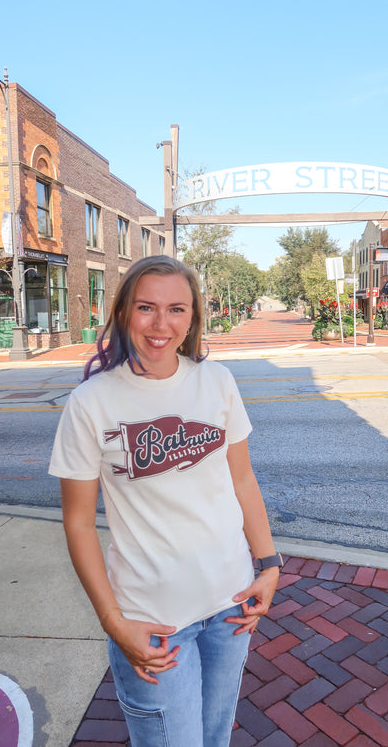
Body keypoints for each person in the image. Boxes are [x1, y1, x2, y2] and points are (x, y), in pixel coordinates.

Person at [48, 255, 281, 747]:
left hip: (231, 606)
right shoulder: (91, 403)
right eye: (146, 308)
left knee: (214, 737)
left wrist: (268, 564)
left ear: (194, 316)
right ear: (123, 313)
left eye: (177, 309)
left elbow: (242, 479)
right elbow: (78, 524)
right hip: (152, 623)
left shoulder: (216, 382)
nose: (161, 325)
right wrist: (114, 623)